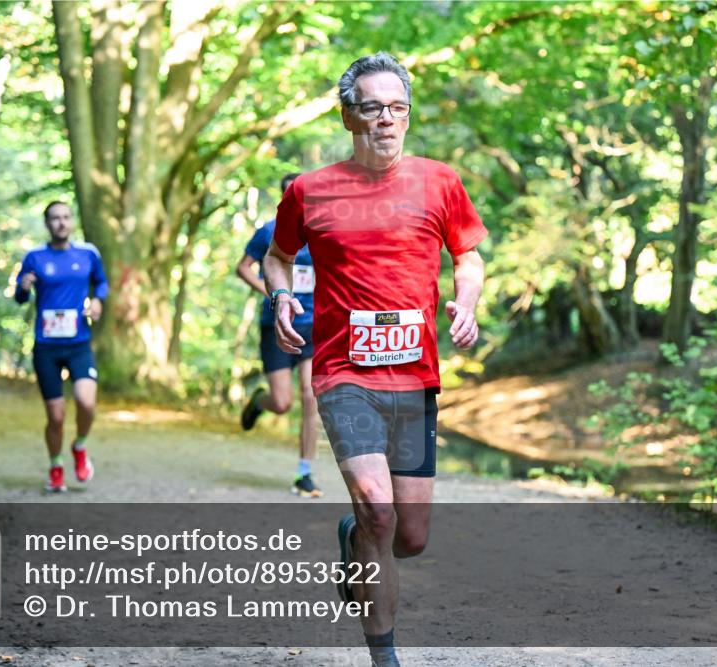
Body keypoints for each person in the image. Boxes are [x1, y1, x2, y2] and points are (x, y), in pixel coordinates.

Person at [262, 53, 486, 667]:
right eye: (372, 108)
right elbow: (277, 257)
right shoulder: (310, 190)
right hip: (343, 374)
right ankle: (384, 657)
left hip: (414, 377)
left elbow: (468, 257)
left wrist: (466, 303)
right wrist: (281, 294)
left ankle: (352, 537)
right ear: (347, 116)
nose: (386, 120)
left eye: (398, 108)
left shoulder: (440, 182)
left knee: (408, 538)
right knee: (381, 515)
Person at [236, 173, 322, 498]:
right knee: (283, 403)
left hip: (312, 324)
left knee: (311, 396)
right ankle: (259, 402)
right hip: (275, 324)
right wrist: (272, 291)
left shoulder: (320, 233)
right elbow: (243, 267)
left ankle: (305, 473)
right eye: (290, 196)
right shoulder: (268, 232)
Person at [14, 201, 109, 493]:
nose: (61, 223)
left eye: (66, 217)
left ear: (72, 222)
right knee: (55, 416)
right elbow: (19, 297)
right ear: (47, 223)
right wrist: (24, 285)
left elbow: (101, 283)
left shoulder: (88, 253)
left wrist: (96, 301)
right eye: (55, 219)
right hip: (46, 347)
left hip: (79, 343)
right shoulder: (34, 257)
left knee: (86, 402)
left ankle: (79, 446)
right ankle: (56, 465)